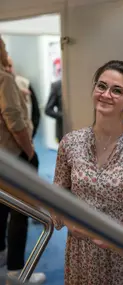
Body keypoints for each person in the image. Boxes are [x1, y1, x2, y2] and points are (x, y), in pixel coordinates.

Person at [52, 60, 123, 285]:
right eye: (101, 86)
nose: (106, 94)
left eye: (116, 90)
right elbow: (56, 196)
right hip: (81, 254)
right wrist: (69, 221)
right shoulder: (71, 143)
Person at [0, 35, 46, 283]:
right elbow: (15, 122)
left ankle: (1, 255)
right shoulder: (4, 79)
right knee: (21, 211)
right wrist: (30, 152)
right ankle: (17, 272)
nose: (6, 50)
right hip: (14, 158)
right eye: (4, 46)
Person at [5, 57, 41, 139]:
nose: (7, 69)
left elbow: (36, 113)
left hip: (27, 136)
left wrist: (31, 135)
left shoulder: (24, 83)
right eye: (4, 67)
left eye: (10, 66)